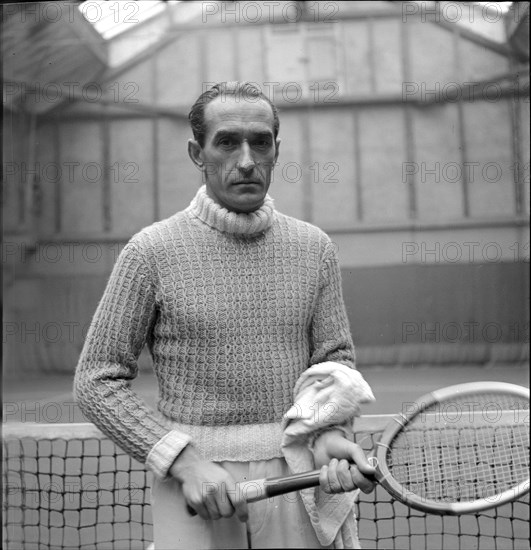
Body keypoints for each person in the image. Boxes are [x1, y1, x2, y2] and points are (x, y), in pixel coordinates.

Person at [74, 81, 375, 549]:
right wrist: (185, 462)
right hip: (194, 488)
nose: (247, 159)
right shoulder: (151, 251)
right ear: (198, 153)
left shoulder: (314, 248)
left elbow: (333, 364)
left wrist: (330, 435)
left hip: (298, 477)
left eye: (261, 141)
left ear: (277, 149)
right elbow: (96, 378)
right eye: (227, 142)